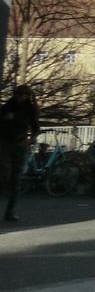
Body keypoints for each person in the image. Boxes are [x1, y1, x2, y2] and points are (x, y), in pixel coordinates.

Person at [1, 85, 40, 222]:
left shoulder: (30, 108)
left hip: (21, 144)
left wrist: (32, 138)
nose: (17, 96)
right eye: (16, 93)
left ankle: (10, 212)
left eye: (20, 94)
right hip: (5, 143)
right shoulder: (8, 106)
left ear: (26, 95)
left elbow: (35, 126)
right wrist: (5, 118)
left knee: (16, 179)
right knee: (4, 174)